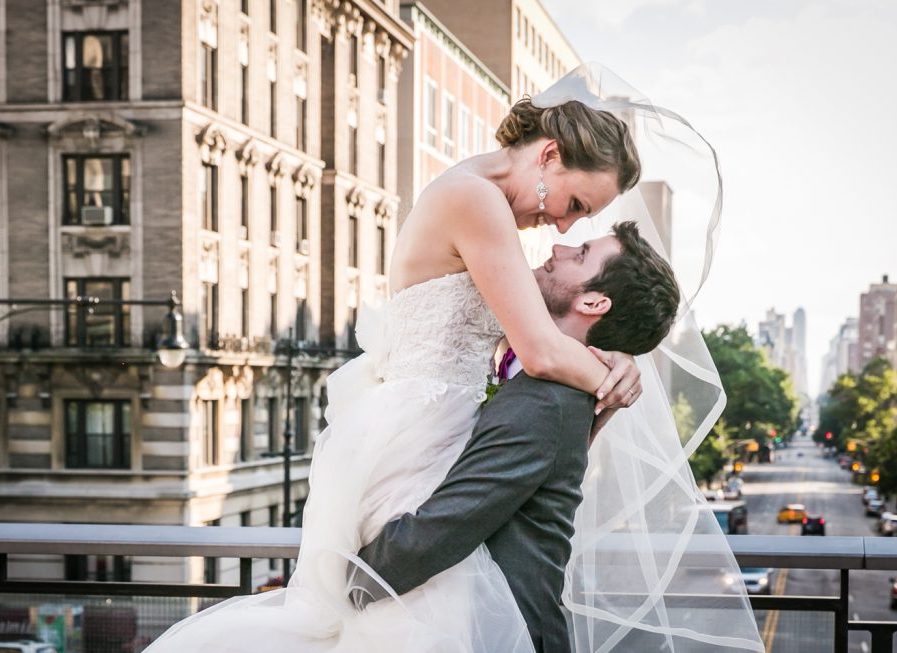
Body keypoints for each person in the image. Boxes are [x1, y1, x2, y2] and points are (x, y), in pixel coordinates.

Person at [145, 67, 645, 653]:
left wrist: (609, 364)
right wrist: (614, 380)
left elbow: (532, 341)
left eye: (581, 222)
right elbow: (537, 350)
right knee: (415, 615)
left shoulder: (482, 201)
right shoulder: (475, 199)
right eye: (575, 204)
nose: (563, 223)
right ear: (551, 155)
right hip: (420, 435)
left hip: (433, 427)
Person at [348, 222, 681, 653]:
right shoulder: (547, 379)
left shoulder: (546, 402)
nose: (559, 246)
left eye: (580, 253)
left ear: (594, 301)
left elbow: (440, 531)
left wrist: (340, 590)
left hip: (502, 634)